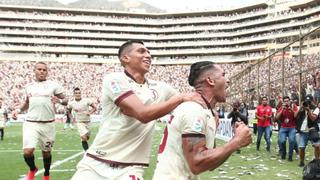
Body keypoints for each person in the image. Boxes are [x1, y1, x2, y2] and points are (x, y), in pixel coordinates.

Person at [71, 40, 203, 180]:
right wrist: (180, 98)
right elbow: (142, 114)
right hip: (95, 162)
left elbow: (189, 105)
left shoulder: (161, 88)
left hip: (131, 168)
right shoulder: (114, 79)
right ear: (125, 58)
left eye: (148, 52)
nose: (148, 55)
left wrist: (207, 114)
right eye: (141, 51)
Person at [152, 61, 252, 180]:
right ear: (210, 80)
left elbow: (209, 164)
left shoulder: (206, 113)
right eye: (223, 75)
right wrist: (236, 142)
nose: (228, 80)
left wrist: (234, 141)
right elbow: (197, 163)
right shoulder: (194, 110)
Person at [12, 62, 67, 180]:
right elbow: (27, 102)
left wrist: (60, 101)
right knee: (27, 152)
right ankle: (33, 169)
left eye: (44, 70)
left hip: (48, 124)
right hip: (31, 123)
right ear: (34, 71)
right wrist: (18, 110)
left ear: (47, 72)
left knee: (46, 153)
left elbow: (66, 100)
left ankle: (46, 174)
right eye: (39, 69)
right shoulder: (29, 86)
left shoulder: (53, 85)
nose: (42, 72)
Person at [296, 96, 320, 167]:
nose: (308, 104)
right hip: (303, 131)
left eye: (309, 102)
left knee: (317, 146)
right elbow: (295, 116)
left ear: (312, 101)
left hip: (312, 130)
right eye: (306, 102)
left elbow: (313, 118)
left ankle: (317, 161)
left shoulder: (316, 109)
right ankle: (301, 162)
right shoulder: (302, 108)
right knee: (302, 147)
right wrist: (301, 108)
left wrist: (308, 110)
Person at [275, 96, 299, 161]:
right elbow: (276, 118)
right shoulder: (281, 108)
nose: (286, 102)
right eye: (285, 101)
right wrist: (282, 109)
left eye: (287, 101)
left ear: (289, 101)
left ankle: (290, 156)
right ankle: (284, 153)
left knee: (292, 141)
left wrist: (290, 109)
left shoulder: (294, 106)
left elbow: (296, 115)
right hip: (283, 127)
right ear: (283, 102)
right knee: (282, 141)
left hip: (292, 127)